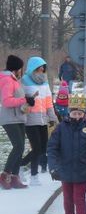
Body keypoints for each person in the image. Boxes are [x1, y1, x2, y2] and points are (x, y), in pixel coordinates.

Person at [47, 94, 86, 214]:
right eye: (74, 113)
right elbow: (52, 148)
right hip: (65, 169)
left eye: (79, 113)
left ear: (84, 114)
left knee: (79, 197)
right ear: (69, 113)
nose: (76, 116)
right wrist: (53, 167)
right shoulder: (61, 128)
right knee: (68, 198)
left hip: (83, 169)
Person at [21, 56, 58, 184]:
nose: (41, 70)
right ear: (32, 68)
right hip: (30, 119)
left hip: (43, 119)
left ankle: (22, 167)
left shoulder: (45, 82)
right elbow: (22, 99)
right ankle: (32, 175)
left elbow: (48, 102)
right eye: (39, 67)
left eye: (43, 67)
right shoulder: (24, 80)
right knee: (36, 148)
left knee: (43, 149)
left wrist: (52, 117)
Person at [0, 55, 30, 189]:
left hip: (18, 117)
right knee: (18, 146)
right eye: (20, 68)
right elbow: (6, 101)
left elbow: (18, 98)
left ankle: (14, 177)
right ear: (17, 68)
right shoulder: (7, 80)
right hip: (9, 118)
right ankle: (5, 174)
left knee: (21, 147)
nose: (21, 71)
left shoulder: (14, 80)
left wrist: (28, 100)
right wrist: (24, 100)